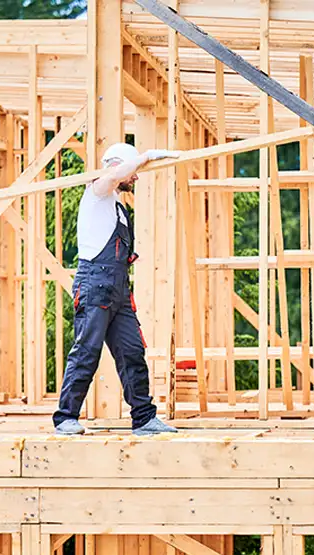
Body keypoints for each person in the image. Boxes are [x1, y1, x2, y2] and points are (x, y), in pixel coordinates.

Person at [53, 142, 180, 435]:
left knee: (132, 352)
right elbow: (111, 177)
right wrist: (147, 155)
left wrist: (141, 161)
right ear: (116, 167)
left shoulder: (117, 206)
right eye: (132, 170)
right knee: (86, 351)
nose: (135, 177)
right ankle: (65, 417)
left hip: (118, 290)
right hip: (95, 285)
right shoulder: (97, 193)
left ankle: (144, 418)